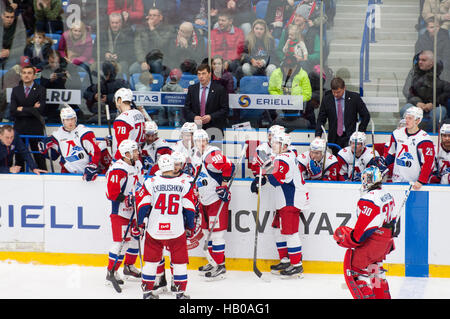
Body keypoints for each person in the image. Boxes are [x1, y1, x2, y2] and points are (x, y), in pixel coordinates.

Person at [135, 154, 196, 299]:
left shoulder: (151, 182)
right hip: (176, 229)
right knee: (179, 262)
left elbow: (142, 205)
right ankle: (179, 293)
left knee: (150, 261)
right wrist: (190, 226)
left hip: (154, 229)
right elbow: (190, 209)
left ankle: (147, 292)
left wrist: (139, 224)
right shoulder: (184, 183)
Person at [333, 166, 397, 299]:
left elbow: (360, 235)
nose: (364, 181)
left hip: (374, 243)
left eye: (366, 178)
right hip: (386, 241)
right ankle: (382, 296)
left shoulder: (369, 199)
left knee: (354, 269)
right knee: (375, 270)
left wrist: (347, 238)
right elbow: (393, 220)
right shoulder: (386, 192)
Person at [266, 132, 309, 278]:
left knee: (290, 233)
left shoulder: (283, 159)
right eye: (273, 142)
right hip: (284, 200)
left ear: (284, 145)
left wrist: (265, 169)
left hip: (290, 201)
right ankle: (285, 260)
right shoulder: (288, 154)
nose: (273, 145)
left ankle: (296, 265)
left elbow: (274, 180)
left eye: (277, 143)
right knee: (278, 230)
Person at [194, 129, 234, 280]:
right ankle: (212, 261)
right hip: (205, 199)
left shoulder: (211, 153)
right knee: (206, 232)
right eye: (198, 140)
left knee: (216, 234)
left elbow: (229, 167)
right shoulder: (197, 154)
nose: (201, 143)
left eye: (203, 140)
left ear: (206, 140)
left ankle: (220, 265)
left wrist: (224, 185)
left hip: (215, 200)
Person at [105, 139, 144, 290]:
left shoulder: (138, 164)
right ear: (126, 154)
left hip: (135, 209)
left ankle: (129, 266)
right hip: (120, 212)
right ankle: (111, 271)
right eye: (134, 151)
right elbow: (111, 193)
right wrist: (127, 199)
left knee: (136, 238)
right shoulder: (118, 169)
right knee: (121, 243)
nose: (137, 153)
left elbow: (139, 184)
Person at [38, 106, 104, 180]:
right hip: (68, 171)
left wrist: (92, 165)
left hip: (86, 171)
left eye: (72, 119)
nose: (70, 122)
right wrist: (45, 150)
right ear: (63, 120)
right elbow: (54, 156)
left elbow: (95, 151)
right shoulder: (57, 135)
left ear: (75, 119)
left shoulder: (84, 132)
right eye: (67, 119)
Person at [315, 77, 371, 155]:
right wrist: (318, 136)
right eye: (333, 92)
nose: (335, 95)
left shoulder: (354, 98)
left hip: (350, 137)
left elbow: (366, 116)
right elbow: (321, 119)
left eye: (338, 92)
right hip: (335, 138)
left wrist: (359, 132)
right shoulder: (327, 99)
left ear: (344, 88)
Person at [385, 106, 435, 190]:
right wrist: (382, 165)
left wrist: (421, 180)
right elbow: (391, 154)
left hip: (414, 183)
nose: (406, 120)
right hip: (396, 181)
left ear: (418, 120)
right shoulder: (396, 133)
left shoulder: (424, 139)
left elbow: (428, 163)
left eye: (410, 118)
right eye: (406, 118)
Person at [9, 64, 47, 171]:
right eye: (24, 73)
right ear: (21, 75)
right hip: (20, 129)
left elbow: (40, 110)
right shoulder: (16, 90)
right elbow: (13, 111)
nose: (26, 75)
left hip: (35, 129)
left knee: (39, 158)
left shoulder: (41, 90)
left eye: (29, 73)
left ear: (34, 76)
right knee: (19, 159)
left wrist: (22, 109)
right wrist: (32, 109)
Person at [401, 50, 449, 130]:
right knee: (404, 110)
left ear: (432, 62)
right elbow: (407, 90)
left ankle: (429, 134)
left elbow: (447, 91)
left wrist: (433, 103)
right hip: (417, 104)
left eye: (423, 60)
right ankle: (412, 133)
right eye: (419, 59)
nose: (420, 62)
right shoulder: (414, 72)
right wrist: (417, 102)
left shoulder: (443, 73)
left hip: (437, 105)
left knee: (437, 115)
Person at [183, 63, 229, 138]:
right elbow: (186, 108)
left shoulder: (220, 89)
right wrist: (194, 117)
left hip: (214, 130)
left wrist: (211, 117)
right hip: (195, 130)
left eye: (204, 73)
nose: (201, 76)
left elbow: (225, 109)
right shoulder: (192, 89)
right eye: (199, 74)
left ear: (209, 74)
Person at [268, 54, 312, 129]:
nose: (288, 70)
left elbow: (307, 94)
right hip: (280, 107)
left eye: (291, 68)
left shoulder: (303, 74)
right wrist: (280, 98)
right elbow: (272, 89)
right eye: (286, 68)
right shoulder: (276, 73)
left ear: (295, 66)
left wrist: (295, 100)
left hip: (297, 109)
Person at [40, 50, 82, 122]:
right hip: (50, 106)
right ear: (48, 61)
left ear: (59, 61)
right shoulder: (44, 71)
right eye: (52, 62)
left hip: (66, 103)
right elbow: (41, 88)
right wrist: (49, 80)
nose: (54, 65)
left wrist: (69, 77)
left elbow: (77, 85)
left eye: (56, 62)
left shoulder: (65, 70)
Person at [131, 7, 175, 75]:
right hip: (144, 59)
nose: (151, 18)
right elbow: (138, 47)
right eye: (150, 15)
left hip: (159, 59)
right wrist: (142, 61)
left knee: (156, 66)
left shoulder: (168, 28)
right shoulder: (141, 27)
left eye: (154, 15)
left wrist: (152, 29)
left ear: (160, 17)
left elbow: (161, 44)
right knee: (133, 69)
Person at [93, 12, 136, 78]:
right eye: (112, 23)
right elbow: (95, 50)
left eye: (117, 23)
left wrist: (119, 56)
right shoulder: (102, 32)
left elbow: (131, 52)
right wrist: (105, 54)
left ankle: (121, 85)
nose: (114, 25)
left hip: (120, 61)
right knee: (95, 66)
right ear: (109, 23)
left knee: (123, 65)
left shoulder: (128, 33)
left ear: (121, 23)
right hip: (104, 60)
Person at [110, 87, 146, 160]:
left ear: (119, 100)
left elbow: (122, 147)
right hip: (138, 157)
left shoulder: (122, 119)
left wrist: (115, 162)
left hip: (126, 160)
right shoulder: (139, 113)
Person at [0, 5, 27, 70]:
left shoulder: (20, 28)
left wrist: (10, 52)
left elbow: (24, 46)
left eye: (12, 17)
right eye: (7, 17)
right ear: (2, 16)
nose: (9, 19)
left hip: (13, 55)